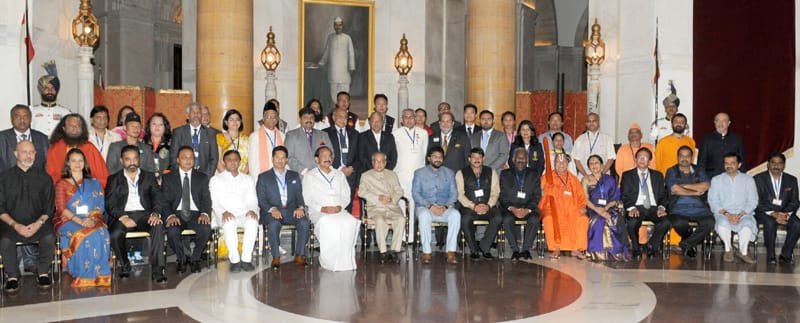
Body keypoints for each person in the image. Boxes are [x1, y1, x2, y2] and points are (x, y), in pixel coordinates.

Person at [0, 140, 56, 293]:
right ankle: (12, 276)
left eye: (31, 152)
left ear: (36, 154)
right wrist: (15, 225)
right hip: (11, 224)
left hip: (39, 224)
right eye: (24, 152)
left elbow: (49, 208)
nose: (28, 156)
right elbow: (1, 209)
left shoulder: (45, 178)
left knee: (50, 238)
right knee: (5, 240)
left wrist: (38, 223)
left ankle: (43, 272)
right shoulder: (4, 178)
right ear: (15, 154)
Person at [106, 145, 166, 282]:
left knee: (158, 226)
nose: (132, 162)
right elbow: (110, 203)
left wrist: (156, 213)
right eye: (128, 159)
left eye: (135, 159)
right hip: (123, 215)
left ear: (139, 160)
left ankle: (158, 270)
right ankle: (125, 265)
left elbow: (158, 197)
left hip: (145, 215)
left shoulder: (149, 176)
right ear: (122, 161)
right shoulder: (114, 179)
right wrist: (123, 217)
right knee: (115, 234)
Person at [54, 148, 111, 287]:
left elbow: (99, 204)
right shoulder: (62, 184)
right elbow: (61, 209)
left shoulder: (93, 182)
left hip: (92, 218)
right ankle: (83, 274)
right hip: (67, 220)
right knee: (84, 235)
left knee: (102, 232)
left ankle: (101, 274)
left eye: (80, 160)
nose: (77, 164)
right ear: (68, 163)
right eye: (73, 160)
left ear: (85, 163)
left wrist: (92, 219)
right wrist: (80, 220)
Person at [302, 146, 360, 271]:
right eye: (324, 156)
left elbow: (346, 195)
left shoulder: (339, 174)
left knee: (349, 221)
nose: (327, 159)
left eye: (329, 156)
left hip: (339, 210)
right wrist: (323, 209)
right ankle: (329, 261)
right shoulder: (310, 176)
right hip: (319, 211)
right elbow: (308, 199)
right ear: (316, 159)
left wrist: (340, 206)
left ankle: (346, 261)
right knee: (329, 224)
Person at [161, 146, 213, 273]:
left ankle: (195, 259)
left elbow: (206, 199)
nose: (188, 160)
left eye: (191, 157)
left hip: (196, 214)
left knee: (206, 229)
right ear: (178, 160)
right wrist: (170, 216)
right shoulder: (168, 178)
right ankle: (181, 259)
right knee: (172, 231)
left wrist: (205, 213)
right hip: (176, 214)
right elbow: (164, 201)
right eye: (184, 157)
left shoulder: (202, 177)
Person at [257, 146, 310, 269]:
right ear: (272, 159)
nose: (280, 160)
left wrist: (300, 207)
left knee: (304, 223)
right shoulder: (263, 177)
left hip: (291, 211)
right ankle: (276, 257)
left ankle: (300, 255)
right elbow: (261, 199)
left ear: (287, 160)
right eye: (277, 157)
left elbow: (299, 196)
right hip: (272, 211)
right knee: (274, 224)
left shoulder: (294, 175)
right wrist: (272, 209)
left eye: (283, 158)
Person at [210, 150, 259, 272]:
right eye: (229, 160)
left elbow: (252, 199)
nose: (232, 162)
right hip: (224, 214)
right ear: (224, 162)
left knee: (253, 221)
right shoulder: (216, 179)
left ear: (240, 162)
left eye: (235, 160)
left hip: (243, 213)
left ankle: (246, 259)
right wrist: (223, 212)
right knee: (229, 222)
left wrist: (252, 210)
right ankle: (235, 260)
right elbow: (214, 201)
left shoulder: (247, 179)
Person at [413, 147, 460, 264]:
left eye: (440, 157)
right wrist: (430, 206)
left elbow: (454, 194)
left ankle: (450, 252)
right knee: (424, 216)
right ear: (429, 158)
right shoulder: (419, 173)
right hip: (426, 207)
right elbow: (416, 193)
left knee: (456, 215)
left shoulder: (449, 173)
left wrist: (446, 206)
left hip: (445, 207)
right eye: (435, 156)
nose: (438, 159)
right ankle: (426, 252)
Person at [665, 145, 714, 258]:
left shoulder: (699, 170)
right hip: (678, 208)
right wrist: (694, 191)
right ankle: (691, 243)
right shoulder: (671, 171)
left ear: (692, 158)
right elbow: (673, 189)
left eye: (687, 156)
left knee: (710, 223)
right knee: (677, 223)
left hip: (699, 209)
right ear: (677, 157)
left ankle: (686, 243)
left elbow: (706, 185)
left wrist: (682, 187)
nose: (684, 158)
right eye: (681, 156)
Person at [708, 153, 758, 264]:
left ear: (739, 164)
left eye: (732, 163)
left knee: (747, 225)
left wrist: (739, 215)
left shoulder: (748, 180)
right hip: (723, 213)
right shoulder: (716, 180)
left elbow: (753, 201)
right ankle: (728, 249)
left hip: (744, 213)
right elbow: (713, 201)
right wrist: (728, 215)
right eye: (726, 163)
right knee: (722, 223)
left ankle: (743, 252)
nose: (729, 166)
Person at [621, 147, 669, 259]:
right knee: (632, 222)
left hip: (653, 208)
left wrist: (661, 207)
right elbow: (624, 195)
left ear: (650, 160)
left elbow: (663, 196)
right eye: (639, 157)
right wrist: (631, 208)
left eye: (645, 157)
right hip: (636, 207)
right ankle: (636, 247)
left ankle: (651, 245)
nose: (642, 160)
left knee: (666, 221)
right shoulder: (627, 175)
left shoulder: (658, 176)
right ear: (635, 159)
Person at [359, 152, 406, 263]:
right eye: (376, 161)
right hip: (375, 208)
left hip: (391, 207)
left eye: (381, 161)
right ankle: (383, 252)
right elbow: (361, 192)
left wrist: (392, 199)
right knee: (380, 220)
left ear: (385, 163)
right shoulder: (366, 175)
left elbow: (399, 191)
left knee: (401, 219)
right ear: (372, 163)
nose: (379, 164)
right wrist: (378, 198)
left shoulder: (392, 174)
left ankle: (394, 251)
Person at [753, 152, 800, 265]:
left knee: (797, 224)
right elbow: (755, 201)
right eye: (773, 162)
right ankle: (770, 255)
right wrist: (773, 213)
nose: (776, 166)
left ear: (784, 165)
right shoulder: (758, 179)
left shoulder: (791, 180)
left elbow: (795, 202)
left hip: (785, 212)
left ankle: (786, 254)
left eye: (780, 163)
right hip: (764, 213)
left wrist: (783, 214)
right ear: (768, 164)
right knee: (769, 222)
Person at [539, 154, 588, 259]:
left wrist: (582, 206)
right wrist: (544, 192)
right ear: (554, 164)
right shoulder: (546, 177)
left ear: (568, 164)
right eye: (558, 162)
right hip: (552, 209)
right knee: (548, 219)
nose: (561, 164)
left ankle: (576, 248)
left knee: (583, 219)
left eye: (564, 162)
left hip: (571, 208)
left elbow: (581, 196)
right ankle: (555, 248)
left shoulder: (573, 179)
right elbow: (539, 193)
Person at [456, 148, 502, 259]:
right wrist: (473, 206)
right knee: (465, 219)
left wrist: (488, 205)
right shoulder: (461, 173)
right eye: (474, 157)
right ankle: (474, 249)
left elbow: (496, 192)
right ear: (469, 159)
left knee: (498, 217)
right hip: (469, 206)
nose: (477, 160)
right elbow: (459, 194)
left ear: (483, 159)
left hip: (488, 206)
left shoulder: (492, 172)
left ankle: (485, 247)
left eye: (479, 157)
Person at [581, 155, 628, 261]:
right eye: (591, 164)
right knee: (598, 220)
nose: (594, 165)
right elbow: (585, 199)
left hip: (608, 207)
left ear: (602, 166)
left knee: (614, 218)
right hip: (592, 208)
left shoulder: (609, 179)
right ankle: (597, 253)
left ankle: (615, 252)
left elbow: (616, 197)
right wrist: (598, 210)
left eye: (596, 163)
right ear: (588, 167)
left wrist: (605, 208)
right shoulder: (586, 180)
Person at [500, 147, 542, 261]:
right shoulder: (504, 174)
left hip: (528, 208)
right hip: (510, 208)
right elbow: (503, 196)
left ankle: (525, 249)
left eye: (523, 158)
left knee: (534, 219)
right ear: (513, 159)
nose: (521, 160)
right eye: (518, 157)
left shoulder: (534, 174)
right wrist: (513, 209)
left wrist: (527, 209)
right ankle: (515, 249)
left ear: (527, 160)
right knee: (507, 219)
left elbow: (537, 195)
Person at [46, 114, 109, 188]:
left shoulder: (89, 147)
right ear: (64, 128)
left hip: (87, 191)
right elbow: (50, 175)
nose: (74, 128)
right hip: (61, 191)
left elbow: (102, 176)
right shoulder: (55, 148)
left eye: (78, 126)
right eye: (71, 125)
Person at [393, 108, 429, 227]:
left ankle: (413, 237)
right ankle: (403, 236)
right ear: (401, 120)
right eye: (406, 117)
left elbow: (424, 154)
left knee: (416, 204)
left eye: (411, 117)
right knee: (402, 204)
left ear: (415, 119)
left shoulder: (423, 133)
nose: (409, 120)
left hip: (418, 175)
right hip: (401, 175)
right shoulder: (395, 134)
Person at [324, 108, 360, 211]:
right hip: (332, 173)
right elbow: (324, 155)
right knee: (333, 204)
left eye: (345, 117)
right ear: (334, 118)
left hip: (350, 175)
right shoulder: (325, 133)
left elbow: (359, 156)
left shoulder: (355, 134)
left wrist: (351, 168)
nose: (342, 119)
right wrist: (339, 169)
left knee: (348, 205)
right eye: (340, 116)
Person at [170, 102, 219, 176]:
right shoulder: (178, 132)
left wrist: (206, 177)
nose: (196, 115)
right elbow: (173, 158)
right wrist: (184, 176)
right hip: (184, 177)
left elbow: (214, 159)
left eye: (198, 112)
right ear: (187, 115)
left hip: (205, 177)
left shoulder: (211, 133)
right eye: (193, 112)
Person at [318, 17, 356, 103]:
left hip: (344, 70)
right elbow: (327, 52)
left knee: (345, 91)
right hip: (333, 70)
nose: (338, 27)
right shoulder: (330, 37)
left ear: (342, 26)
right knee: (333, 91)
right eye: (336, 25)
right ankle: (336, 108)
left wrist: (352, 67)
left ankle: (344, 108)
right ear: (333, 26)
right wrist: (321, 63)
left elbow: (351, 53)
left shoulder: (347, 38)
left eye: (340, 25)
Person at [285, 107, 332, 176]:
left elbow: (331, 153)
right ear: (300, 120)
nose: (309, 120)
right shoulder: (291, 135)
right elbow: (289, 157)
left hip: (322, 175)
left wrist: (323, 169)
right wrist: (305, 171)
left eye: (311, 117)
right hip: (301, 176)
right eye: (305, 117)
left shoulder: (323, 135)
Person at [0, 104, 49, 170]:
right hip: (8, 179)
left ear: (30, 119)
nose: (22, 120)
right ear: (12, 119)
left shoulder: (42, 139)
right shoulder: (2, 138)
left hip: (37, 178)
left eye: (25, 116)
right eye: (18, 117)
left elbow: (47, 164)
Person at [697, 112, 745, 178]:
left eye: (724, 121)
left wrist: (741, 178)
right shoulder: (706, 139)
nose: (720, 123)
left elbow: (742, 161)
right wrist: (703, 180)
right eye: (718, 120)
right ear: (714, 122)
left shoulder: (737, 139)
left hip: (732, 177)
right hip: (711, 178)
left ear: (729, 123)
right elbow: (701, 164)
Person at [31, 61, 71, 137]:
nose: (50, 91)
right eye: (46, 88)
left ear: (56, 91)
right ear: (41, 90)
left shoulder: (66, 112)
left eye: (53, 88)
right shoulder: (32, 110)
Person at [572, 113, 615, 179]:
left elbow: (611, 158)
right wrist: (586, 175)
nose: (591, 123)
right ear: (586, 124)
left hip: (603, 176)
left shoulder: (607, 139)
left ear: (598, 123)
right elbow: (577, 160)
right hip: (584, 176)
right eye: (589, 121)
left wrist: (601, 174)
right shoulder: (579, 139)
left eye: (594, 121)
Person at [249, 102, 283, 177]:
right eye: (269, 117)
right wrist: (257, 182)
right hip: (262, 177)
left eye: (274, 117)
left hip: (280, 175)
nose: (272, 119)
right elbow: (253, 164)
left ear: (277, 119)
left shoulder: (282, 136)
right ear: (263, 119)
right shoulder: (255, 136)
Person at [215, 109, 249, 174]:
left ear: (240, 122)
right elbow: (218, 162)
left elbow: (249, 162)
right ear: (226, 122)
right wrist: (228, 178)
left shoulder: (247, 139)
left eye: (237, 119)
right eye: (231, 120)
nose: (235, 122)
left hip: (242, 177)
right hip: (224, 177)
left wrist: (241, 177)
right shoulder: (220, 138)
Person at [144, 113, 172, 181]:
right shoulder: (142, 144)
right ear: (149, 126)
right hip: (146, 180)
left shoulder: (172, 144)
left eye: (160, 124)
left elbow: (175, 163)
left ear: (165, 127)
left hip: (167, 180)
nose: (157, 127)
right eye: (154, 124)